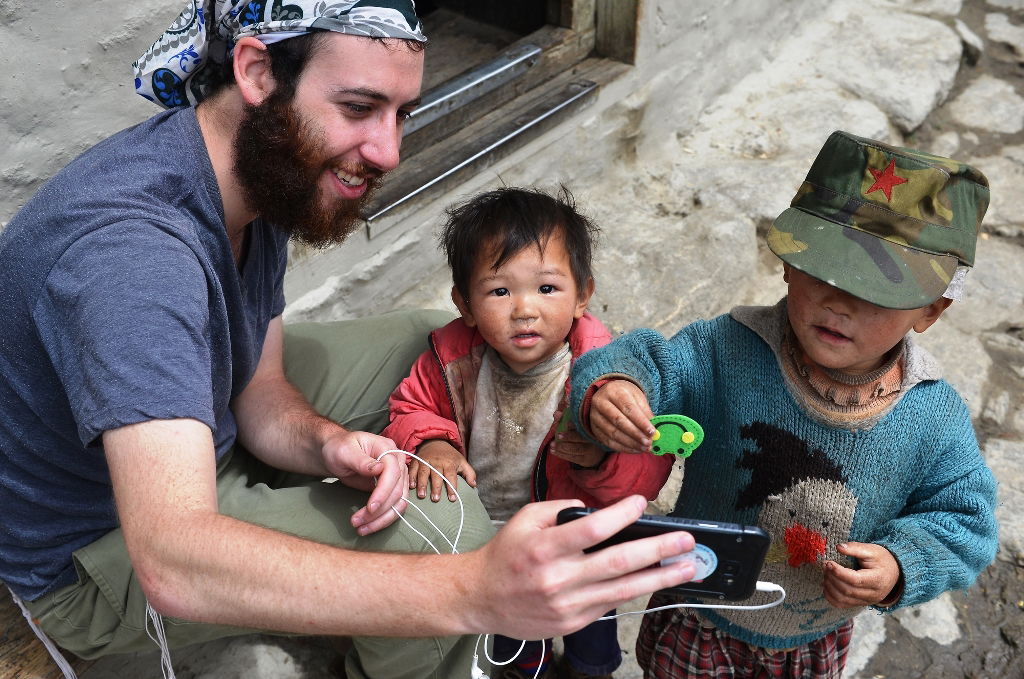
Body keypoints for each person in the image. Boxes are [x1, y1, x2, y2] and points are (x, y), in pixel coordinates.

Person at [0, 3, 699, 678]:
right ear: (256, 72)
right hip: (99, 554)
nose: (387, 150)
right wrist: (472, 588)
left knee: (446, 345)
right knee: (449, 535)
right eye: (359, 108)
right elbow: (174, 560)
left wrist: (325, 440)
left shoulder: (253, 172)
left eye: (401, 113)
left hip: (196, 439)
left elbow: (261, 389)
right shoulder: (135, 259)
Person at [567, 131, 1000, 678]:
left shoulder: (933, 419)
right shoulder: (725, 349)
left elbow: (964, 522)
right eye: (822, 272)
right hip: (697, 612)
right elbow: (650, 362)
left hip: (811, 639)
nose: (839, 302)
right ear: (790, 265)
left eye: (876, 292)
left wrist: (900, 564)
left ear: (930, 311)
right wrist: (615, 387)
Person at [383, 186, 675, 679]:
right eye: (500, 291)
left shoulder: (603, 377)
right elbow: (410, 405)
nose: (524, 309)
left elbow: (647, 471)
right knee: (517, 644)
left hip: (578, 542)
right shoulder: (452, 358)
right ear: (465, 304)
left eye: (547, 289)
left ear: (582, 295)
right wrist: (433, 441)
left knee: (591, 634)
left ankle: (590, 668)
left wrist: (601, 459)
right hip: (491, 542)